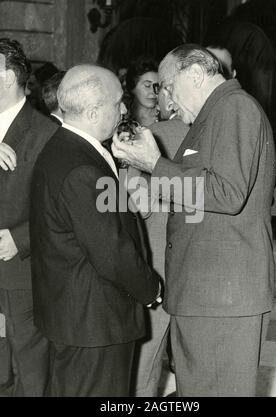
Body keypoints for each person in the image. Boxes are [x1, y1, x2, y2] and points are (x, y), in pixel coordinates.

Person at [112, 44, 276, 397]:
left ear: (197, 75)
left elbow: (229, 194)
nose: (166, 100)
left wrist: (155, 165)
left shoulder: (234, 108)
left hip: (221, 297)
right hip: (206, 295)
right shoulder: (213, 116)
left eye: (168, 87)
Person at [29, 64, 161, 397]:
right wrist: (150, 288)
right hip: (96, 323)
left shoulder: (62, 148)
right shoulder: (82, 167)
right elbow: (111, 252)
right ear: (91, 112)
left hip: (77, 317)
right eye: (118, 102)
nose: (124, 109)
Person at [0, 38, 58, 396]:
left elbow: (62, 209)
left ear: (7, 78)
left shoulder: (46, 133)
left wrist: (19, 238)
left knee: (29, 377)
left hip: (21, 275)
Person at [131, 83, 189, 397]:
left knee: (145, 368)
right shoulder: (218, 132)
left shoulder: (155, 135)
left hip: (157, 266)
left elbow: (136, 207)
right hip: (202, 274)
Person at [125, 57, 159, 127]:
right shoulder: (122, 118)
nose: (153, 91)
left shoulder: (166, 118)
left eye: (157, 86)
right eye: (147, 85)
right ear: (132, 87)